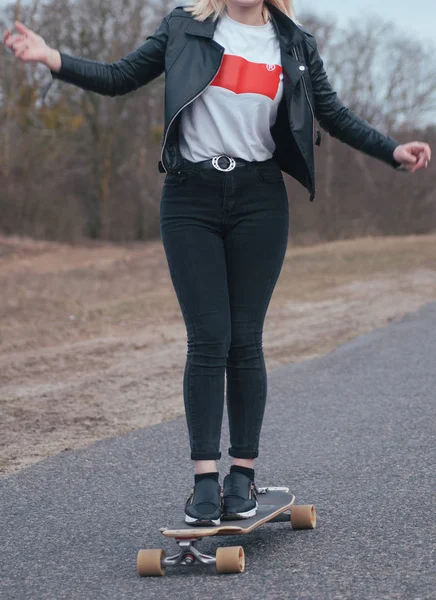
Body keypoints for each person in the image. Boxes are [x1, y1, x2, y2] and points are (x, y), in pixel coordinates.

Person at [3, 0, 431, 527]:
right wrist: (53, 58)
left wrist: (392, 150)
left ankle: (242, 476)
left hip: (259, 200)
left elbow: (332, 113)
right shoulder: (184, 26)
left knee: (245, 338)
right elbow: (120, 78)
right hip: (189, 199)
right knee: (208, 337)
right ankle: (205, 480)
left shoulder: (295, 44)